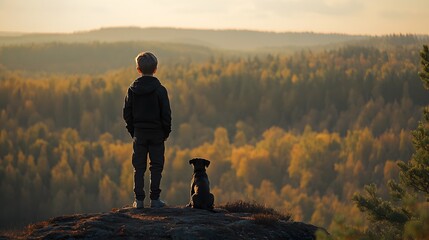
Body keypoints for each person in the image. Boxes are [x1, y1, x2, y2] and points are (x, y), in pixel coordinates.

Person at [123, 51, 172, 208]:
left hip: (140, 134)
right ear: (155, 69)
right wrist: (165, 132)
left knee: (139, 167)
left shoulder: (132, 90)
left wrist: (133, 131)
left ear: (138, 69)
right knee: (156, 166)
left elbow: (127, 114)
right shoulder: (160, 90)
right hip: (157, 133)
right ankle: (155, 200)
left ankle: (138, 201)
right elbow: (166, 114)